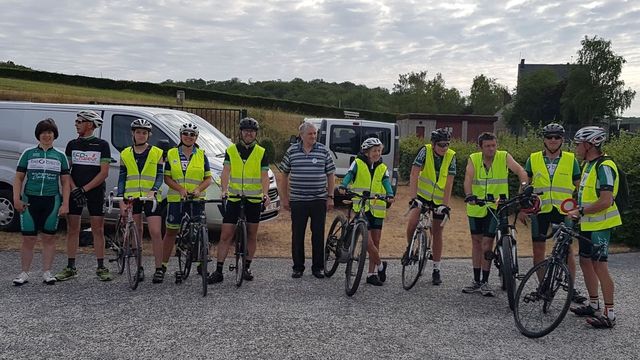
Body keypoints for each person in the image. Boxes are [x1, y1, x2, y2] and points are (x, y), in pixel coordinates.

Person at [519, 123, 586, 303]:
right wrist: (523, 208)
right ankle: (543, 287)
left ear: (563, 140)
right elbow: (525, 185)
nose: (553, 140)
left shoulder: (571, 159)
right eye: (550, 137)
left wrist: (578, 209)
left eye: (557, 137)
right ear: (544, 139)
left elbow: (580, 188)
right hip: (539, 211)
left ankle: (571, 287)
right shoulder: (533, 158)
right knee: (538, 251)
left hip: (563, 211)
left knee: (567, 251)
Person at [567, 126, 621, 329]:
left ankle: (610, 314)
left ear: (590, 145)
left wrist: (581, 211)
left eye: (578, 144)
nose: (576, 148)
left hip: (601, 224)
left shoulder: (604, 166)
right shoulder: (588, 165)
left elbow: (606, 201)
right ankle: (593, 303)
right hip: (588, 223)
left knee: (600, 266)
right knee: (585, 262)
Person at [462, 132, 528, 297]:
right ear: (481, 147)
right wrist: (469, 194)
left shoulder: (504, 156)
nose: (491, 149)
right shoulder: (473, 159)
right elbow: (468, 178)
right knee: (476, 242)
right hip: (476, 206)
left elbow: (520, 170)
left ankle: (485, 281)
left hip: (497, 206)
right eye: (487, 146)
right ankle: (476, 280)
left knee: (486, 243)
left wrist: (524, 187)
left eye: (493, 145)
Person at [208, 117, 270, 284]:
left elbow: (264, 176)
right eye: (245, 131)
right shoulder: (231, 150)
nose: (248, 134)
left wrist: (265, 194)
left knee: (251, 234)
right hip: (234, 197)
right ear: (241, 133)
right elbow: (226, 172)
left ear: (255, 134)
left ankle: (247, 267)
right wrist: (224, 190)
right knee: (226, 234)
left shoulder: (261, 152)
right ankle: (218, 270)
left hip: (254, 199)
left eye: (251, 131)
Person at [55, 110, 112, 282]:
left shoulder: (102, 145)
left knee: (98, 229)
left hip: (94, 190)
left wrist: (85, 189)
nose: (76, 124)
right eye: (76, 121)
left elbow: (104, 173)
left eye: (79, 121)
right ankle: (71, 267)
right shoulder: (72, 144)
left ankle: (101, 266)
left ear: (89, 124)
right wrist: (74, 189)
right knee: (73, 229)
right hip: (75, 191)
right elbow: (66, 171)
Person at [12, 119, 70, 285]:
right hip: (30, 200)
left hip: (51, 201)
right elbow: (18, 178)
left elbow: (65, 182)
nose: (47, 135)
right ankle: (24, 273)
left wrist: (65, 203)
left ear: (54, 135)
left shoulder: (60, 156)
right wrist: (16, 199)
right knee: (28, 239)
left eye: (50, 132)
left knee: (49, 238)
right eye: (43, 132)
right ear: (38, 135)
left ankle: (47, 272)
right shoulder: (28, 153)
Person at [279, 121, 335, 279]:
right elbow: (284, 174)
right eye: (310, 133)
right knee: (297, 235)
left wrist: (330, 196)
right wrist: (285, 198)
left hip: (318, 200)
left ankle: (318, 267)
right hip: (298, 200)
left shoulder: (323, 151)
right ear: (301, 135)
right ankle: (298, 267)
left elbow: (330, 174)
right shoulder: (292, 151)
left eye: (315, 133)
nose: (313, 136)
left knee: (318, 234)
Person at [339, 137, 395, 286]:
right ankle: (381, 266)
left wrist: (390, 194)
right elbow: (349, 175)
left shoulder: (382, 167)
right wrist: (343, 185)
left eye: (379, 150)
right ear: (367, 152)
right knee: (368, 242)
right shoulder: (357, 163)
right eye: (374, 151)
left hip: (377, 208)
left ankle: (372, 274)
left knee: (376, 242)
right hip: (362, 206)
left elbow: (386, 182)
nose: (377, 153)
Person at [160, 122, 212, 281]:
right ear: (181, 135)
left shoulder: (201, 155)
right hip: (177, 199)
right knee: (171, 232)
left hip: (196, 199)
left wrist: (198, 189)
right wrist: (180, 189)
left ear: (196, 138)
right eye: (186, 134)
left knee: (198, 233)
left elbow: (208, 178)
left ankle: (200, 265)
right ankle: (162, 265)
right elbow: (167, 177)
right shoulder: (172, 153)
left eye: (192, 134)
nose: (189, 137)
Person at [404, 128, 456, 285]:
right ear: (433, 144)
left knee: (437, 231)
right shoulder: (424, 151)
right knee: (413, 222)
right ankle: (411, 249)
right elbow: (414, 174)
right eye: (441, 145)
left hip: (439, 199)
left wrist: (445, 205)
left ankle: (436, 269)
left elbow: (449, 182)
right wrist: (413, 198)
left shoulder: (451, 156)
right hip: (422, 195)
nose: (444, 148)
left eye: (447, 145)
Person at [116, 119, 165, 283]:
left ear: (149, 135)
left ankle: (159, 268)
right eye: (138, 132)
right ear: (133, 134)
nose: (141, 135)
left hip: (150, 197)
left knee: (156, 232)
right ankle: (139, 268)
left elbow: (159, 176)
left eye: (144, 132)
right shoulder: (125, 153)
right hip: (132, 197)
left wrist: (154, 190)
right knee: (136, 233)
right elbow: (122, 178)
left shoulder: (157, 152)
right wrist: (121, 199)